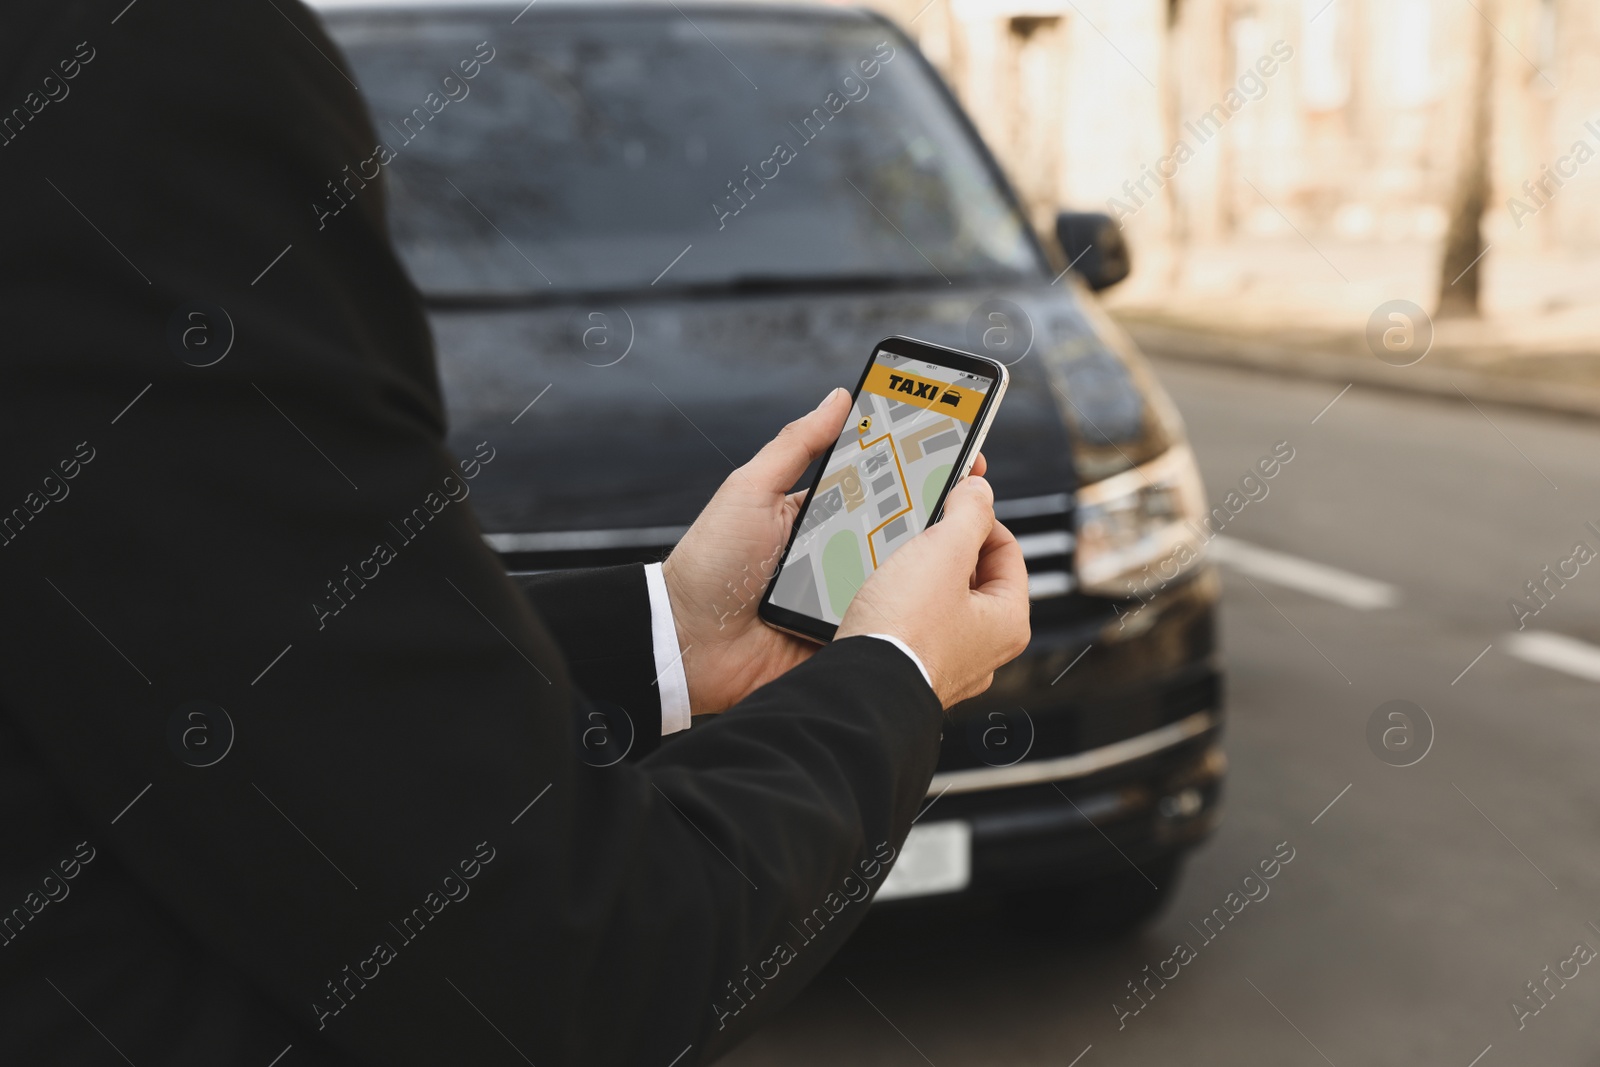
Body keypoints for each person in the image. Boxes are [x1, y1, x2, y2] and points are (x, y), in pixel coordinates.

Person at [0, 1, 1029, 1064]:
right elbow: (585, 965)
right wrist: (894, 675)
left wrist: (670, 630)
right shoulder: (148, 57)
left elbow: (226, 666)